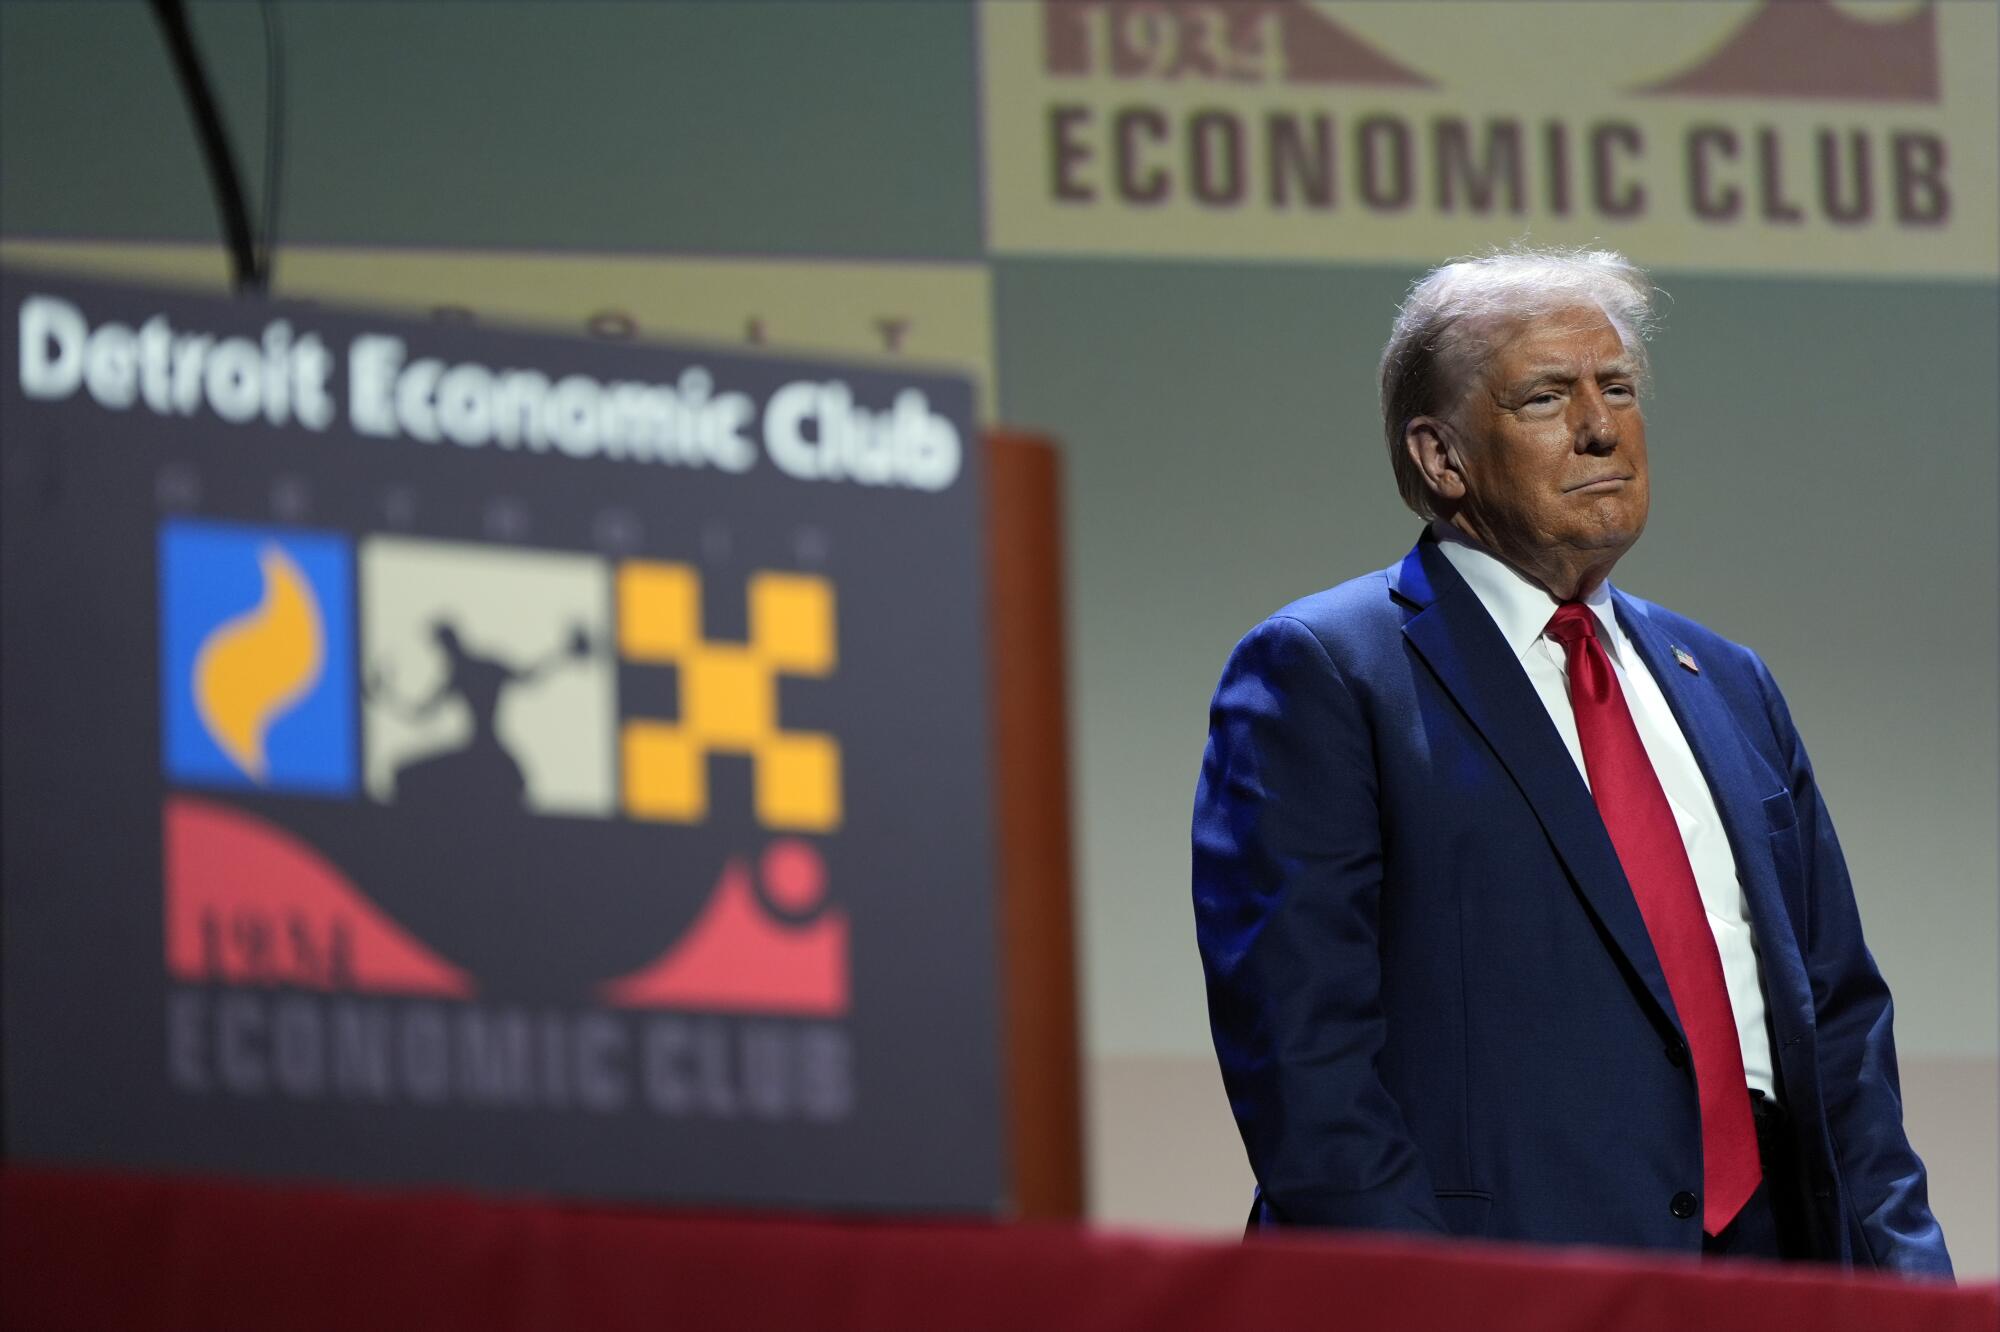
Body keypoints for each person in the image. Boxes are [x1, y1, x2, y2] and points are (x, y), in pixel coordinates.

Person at [1191, 245, 1951, 1273]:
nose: (1600, 426)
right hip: (1502, 1290)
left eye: (1618, 388)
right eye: (1544, 396)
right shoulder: (1324, 674)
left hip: (1776, 1279)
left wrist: (1906, 1288)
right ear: (1439, 457)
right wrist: (1425, 1303)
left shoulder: (1724, 681)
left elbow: (1841, 1028)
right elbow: (1306, 1065)